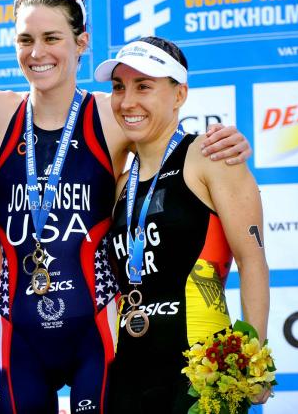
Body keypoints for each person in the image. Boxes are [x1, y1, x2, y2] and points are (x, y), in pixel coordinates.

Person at [0, 0, 252, 414]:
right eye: (25, 39)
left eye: (51, 38)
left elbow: (167, 141)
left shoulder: (112, 112)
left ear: (81, 42)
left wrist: (229, 141)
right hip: (17, 327)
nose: (37, 52)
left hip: (97, 326)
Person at [93, 36, 270, 413]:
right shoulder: (120, 184)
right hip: (130, 368)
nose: (127, 101)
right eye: (119, 87)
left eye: (144, 87)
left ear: (179, 95)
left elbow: (252, 262)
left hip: (202, 371)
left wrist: (255, 361)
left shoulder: (213, 157)